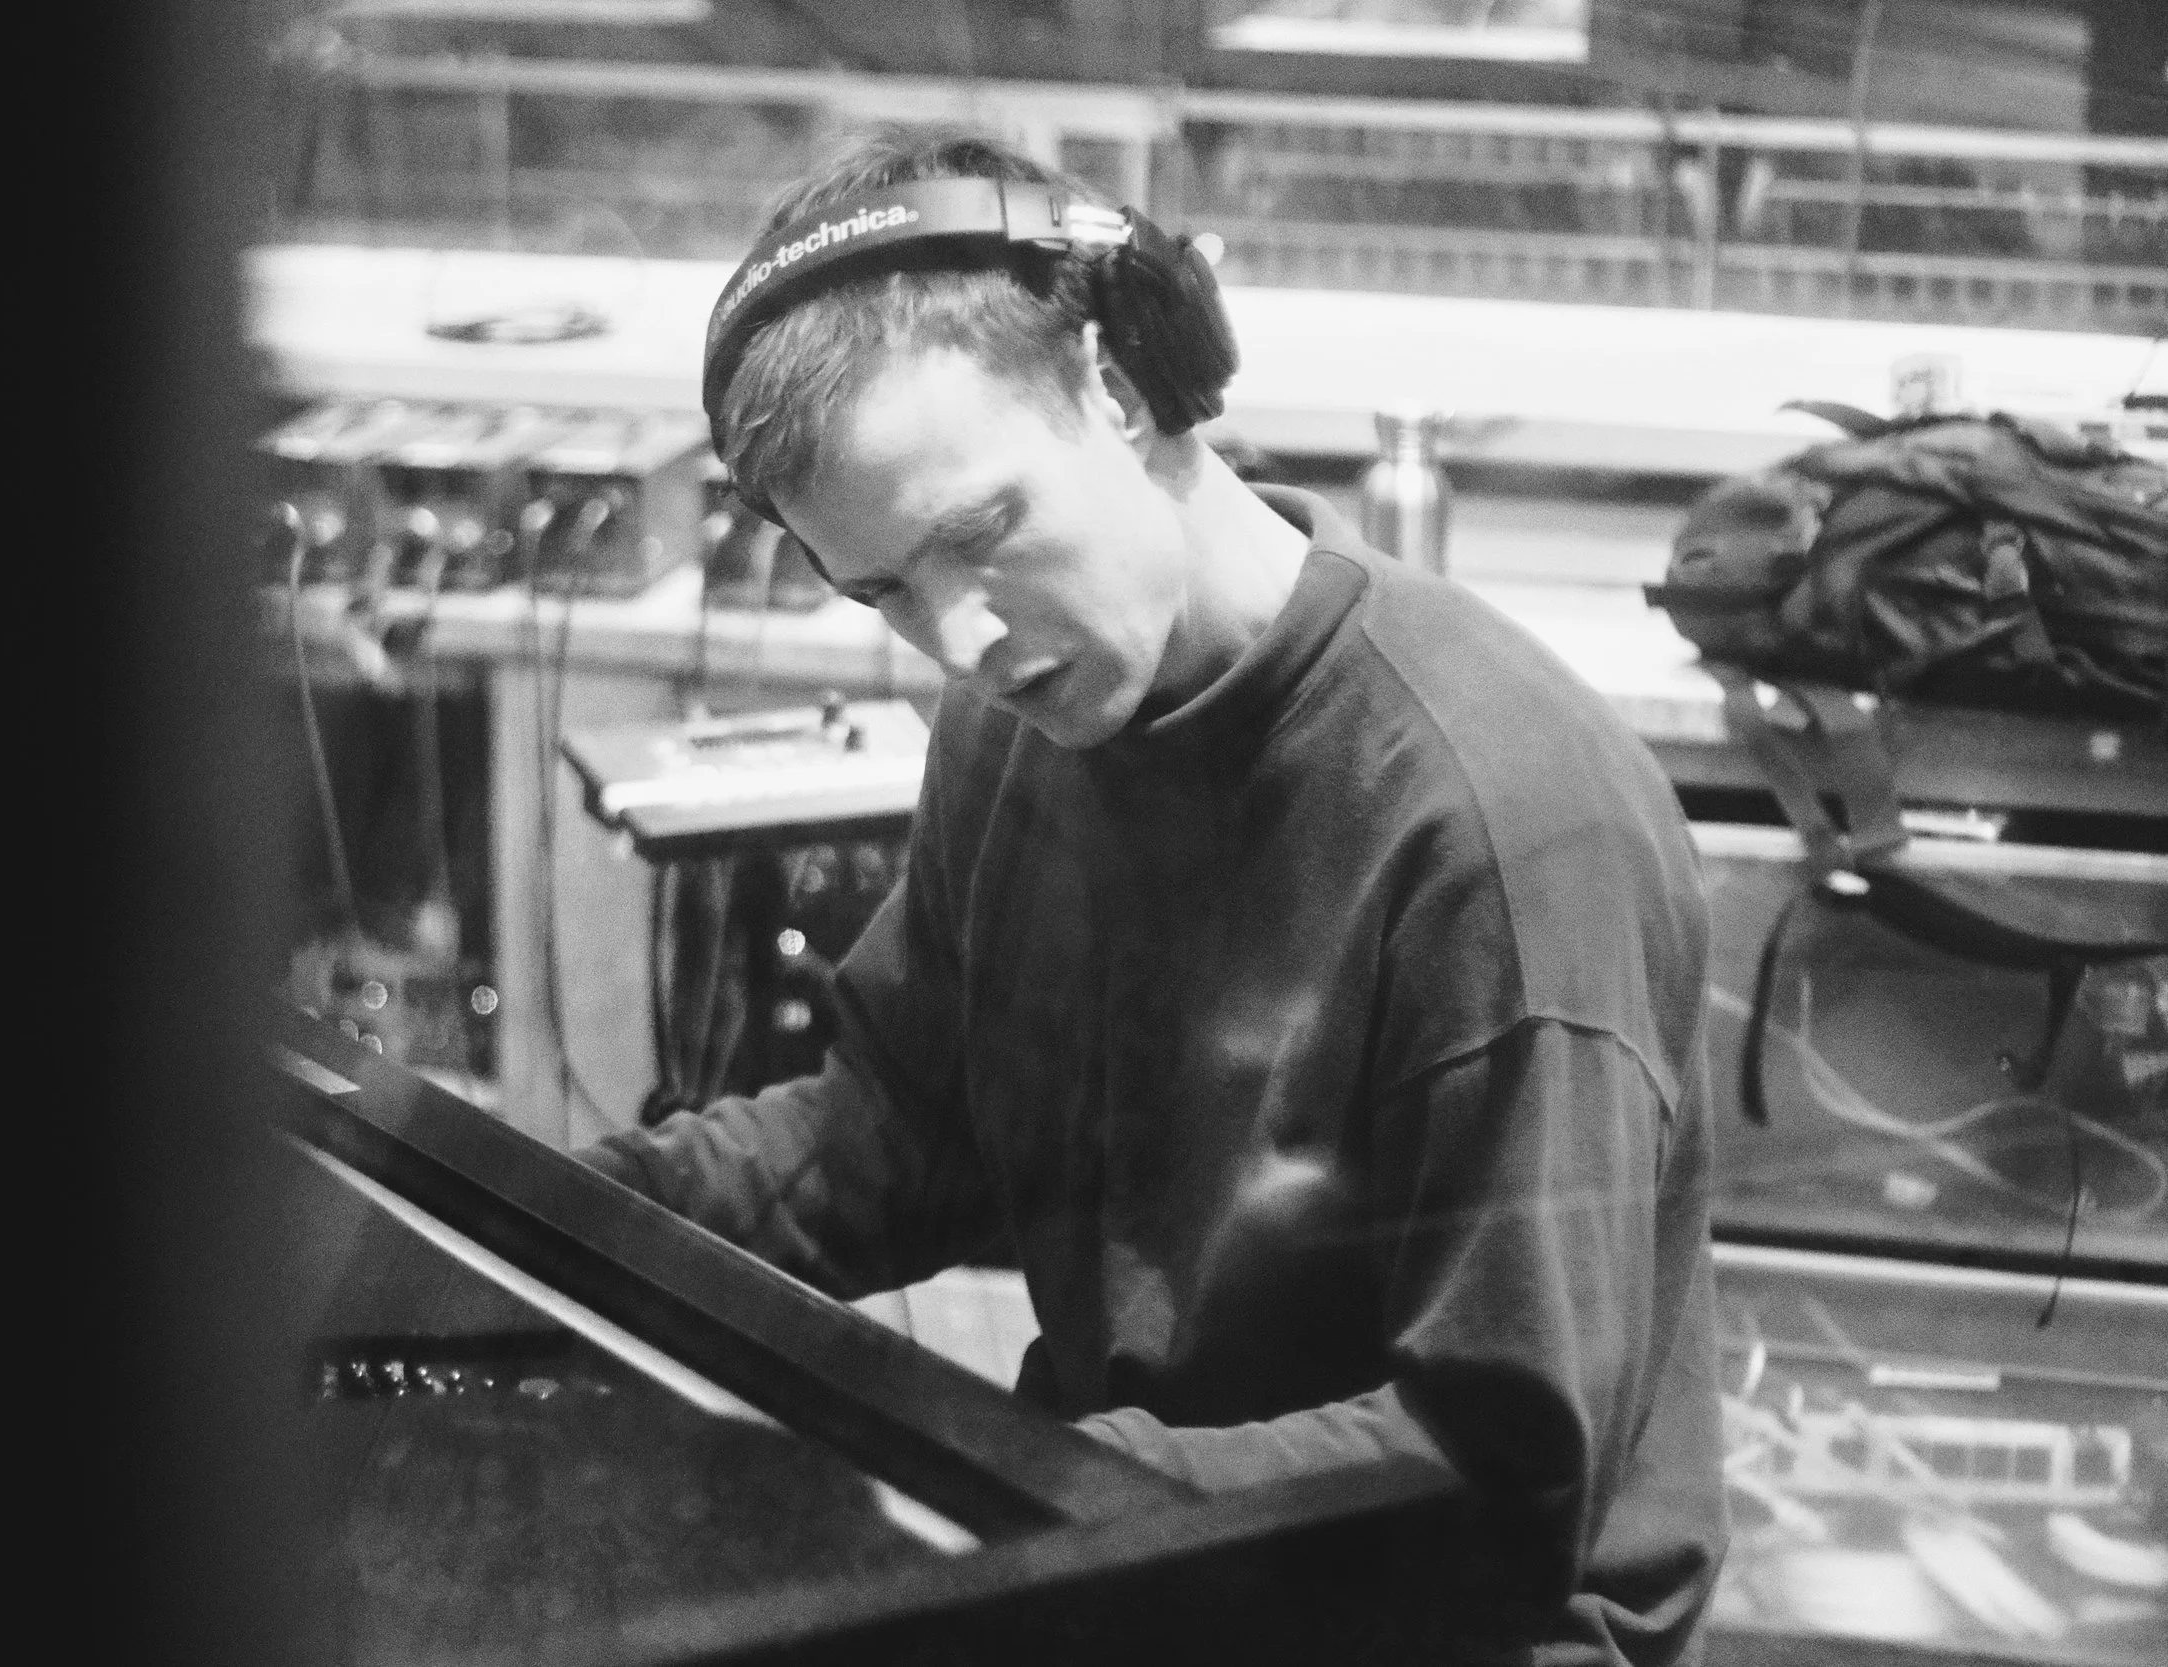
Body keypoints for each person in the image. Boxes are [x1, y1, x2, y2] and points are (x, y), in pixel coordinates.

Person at [580, 125, 1726, 1662]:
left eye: (979, 537)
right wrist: (568, 1218)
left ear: (1120, 392)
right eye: (887, 596)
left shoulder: (1500, 829)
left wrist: (958, 1490)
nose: (962, 637)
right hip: (1136, 1543)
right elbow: (904, 1132)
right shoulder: (1022, 723)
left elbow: (1496, 1469)